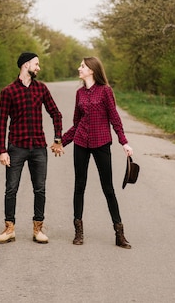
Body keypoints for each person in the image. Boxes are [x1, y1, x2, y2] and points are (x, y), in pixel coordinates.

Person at [52, 56, 133, 248]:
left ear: (92, 70)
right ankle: (78, 232)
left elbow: (115, 118)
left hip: (101, 143)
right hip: (81, 143)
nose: (79, 68)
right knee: (79, 186)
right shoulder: (79, 94)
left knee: (108, 189)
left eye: (82, 66)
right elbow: (76, 124)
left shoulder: (105, 91)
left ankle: (119, 234)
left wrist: (124, 142)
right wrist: (61, 142)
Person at [0, 52, 63, 244]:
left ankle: (38, 229)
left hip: (39, 148)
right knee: (11, 189)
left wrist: (58, 138)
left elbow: (56, 114)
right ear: (26, 65)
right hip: (16, 147)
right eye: (36, 64)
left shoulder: (41, 89)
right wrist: (3, 150)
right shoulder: (8, 91)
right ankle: (9, 229)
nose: (38, 68)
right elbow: (1, 123)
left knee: (40, 189)